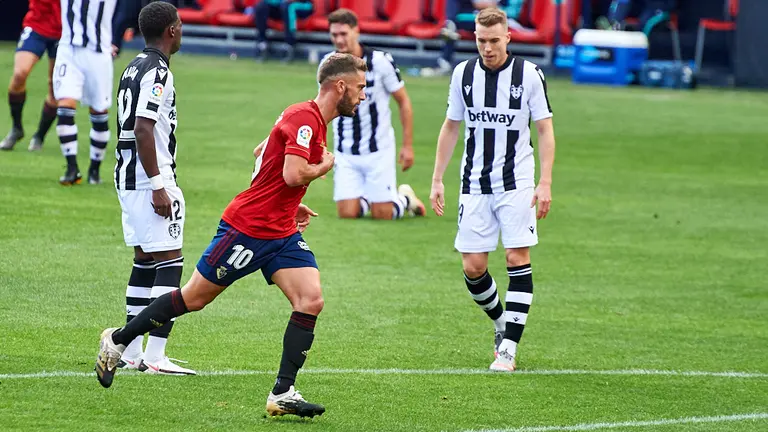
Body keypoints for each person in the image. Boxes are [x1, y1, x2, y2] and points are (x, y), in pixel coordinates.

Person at [96, 52, 368, 418]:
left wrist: (290, 204)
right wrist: (324, 166)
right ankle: (117, 340)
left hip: (281, 231)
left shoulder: (309, 119)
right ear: (340, 86)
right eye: (360, 87)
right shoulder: (306, 119)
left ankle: (283, 392)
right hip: (248, 229)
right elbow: (291, 174)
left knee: (311, 300)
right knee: (193, 298)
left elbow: (263, 154)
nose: (363, 95)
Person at [429, 7, 555, 372]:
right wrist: (438, 178)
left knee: (517, 258)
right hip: (474, 182)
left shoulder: (529, 75)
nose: (487, 48)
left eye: (494, 40)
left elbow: (544, 129)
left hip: (517, 181)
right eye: (481, 41)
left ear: (508, 37)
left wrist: (545, 182)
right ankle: (502, 323)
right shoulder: (463, 74)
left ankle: (509, 350)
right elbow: (451, 126)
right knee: (473, 267)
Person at [112, 1, 194, 376]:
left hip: (126, 176)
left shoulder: (132, 65)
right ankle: (155, 355)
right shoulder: (158, 72)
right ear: (171, 31)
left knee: (145, 259)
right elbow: (144, 128)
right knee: (171, 261)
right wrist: (160, 185)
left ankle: (129, 350)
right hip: (150, 179)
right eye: (179, 25)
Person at [322, 8, 425, 220]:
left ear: (356, 31)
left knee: (383, 215)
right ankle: (375, 195)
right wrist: (320, 146)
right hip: (345, 150)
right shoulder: (329, 65)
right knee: (347, 213)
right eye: (334, 35)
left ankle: (405, 198)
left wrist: (407, 146)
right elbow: (323, 108)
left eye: (344, 33)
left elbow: (403, 101)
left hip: (378, 149)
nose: (339, 40)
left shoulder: (380, 61)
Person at [53, 0, 118, 185]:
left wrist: (119, 37)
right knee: (65, 104)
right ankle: (72, 168)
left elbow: (126, 10)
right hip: (68, 49)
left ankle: (94, 170)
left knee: (99, 111)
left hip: (98, 52)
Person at [0, 0, 61, 152]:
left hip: (64, 32)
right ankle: (16, 128)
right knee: (19, 74)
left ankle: (39, 136)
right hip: (36, 26)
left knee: (55, 88)